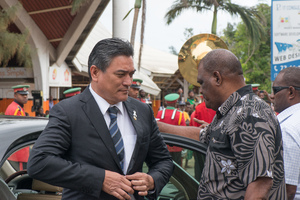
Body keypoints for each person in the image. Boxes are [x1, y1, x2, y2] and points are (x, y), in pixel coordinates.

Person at [27, 38, 174, 200]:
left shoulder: (142, 111)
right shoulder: (69, 111)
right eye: (120, 74)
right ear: (95, 72)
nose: (128, 82)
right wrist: (100, 179)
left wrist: (152, 180)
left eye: (131, 74)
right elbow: (39, 162)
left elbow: (163, 161)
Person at [158, 49, 286, 199]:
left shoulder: (249, 113)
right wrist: (154, 126)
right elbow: (201, 136)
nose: (200, 91)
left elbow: (260, 185)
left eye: (202, 83)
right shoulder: (232, 111)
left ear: (217, 78)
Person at [270, 67, 300, 200]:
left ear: (291, 92)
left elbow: (287, 190)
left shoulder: (287, 128)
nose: (271, 96)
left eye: (275, 90)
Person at [5, 85, 30, 171]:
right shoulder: (16, 109)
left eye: (26, 94)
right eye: (22, 95)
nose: (25, 96)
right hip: (19, 153)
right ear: (15, 95)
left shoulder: (15, 107)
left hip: (17, 151)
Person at [156, 93, 186, 166]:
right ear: (176, 103)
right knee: (177, 168)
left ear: (166, 102)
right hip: (176, 146)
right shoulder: (180, 114)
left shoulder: (159, 113)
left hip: (162, 146)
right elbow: (183, 130)